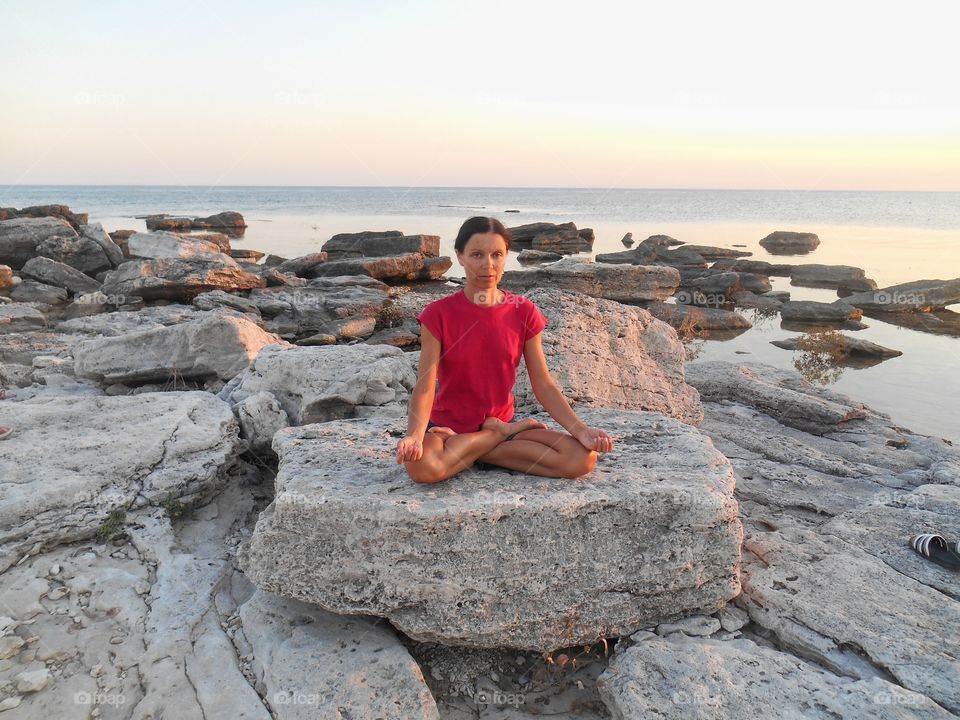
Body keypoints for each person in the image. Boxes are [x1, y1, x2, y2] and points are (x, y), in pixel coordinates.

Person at [395, 216, 614, 483]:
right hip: (447, 429)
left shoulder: (524, 311)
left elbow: (543, 384)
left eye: (496, 254)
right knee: (421, 468)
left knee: (581, 458)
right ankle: (492, 436)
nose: (488, 265)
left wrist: (581, 430)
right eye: (477, 254)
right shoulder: (437, 314)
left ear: (506, 256)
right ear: (460, 257)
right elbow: (426, 385)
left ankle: (476, 448)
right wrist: (416, 436)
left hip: (500, 431)